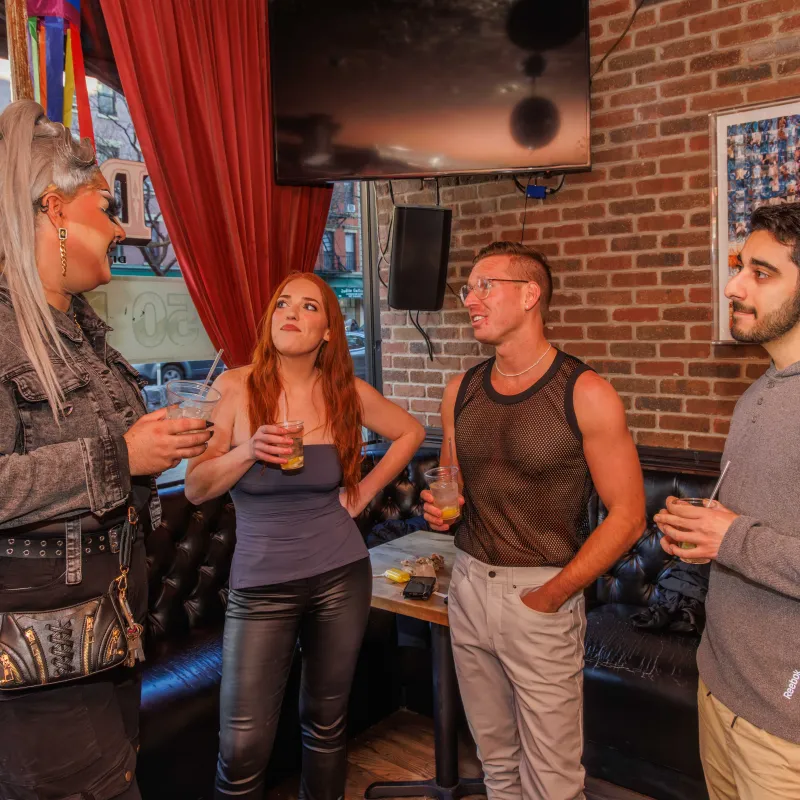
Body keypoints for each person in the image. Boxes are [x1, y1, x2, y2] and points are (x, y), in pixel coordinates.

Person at [0, 100, 211, 800]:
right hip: (37, 660)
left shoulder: (84, 330)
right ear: (54, 209)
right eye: (105, 207)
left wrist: (157, 445)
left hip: (109, 640)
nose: (121, 228)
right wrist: (120, 458)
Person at [185, 272, 424, 800]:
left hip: (341, 574)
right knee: (242, 747)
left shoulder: (346, 393)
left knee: (326, 723)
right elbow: (198, 488)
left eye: (309, 306)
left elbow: (411, 432)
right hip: (261, 584)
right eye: (283, 303)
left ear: (328, 332)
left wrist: (362, 492)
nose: (291, 312)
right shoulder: (233, 387)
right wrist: (248, 450)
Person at [422, 241, 646, 800]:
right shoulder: (461, 390)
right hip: (468, 586)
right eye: (466, 289)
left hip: (540, 594)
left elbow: (629, 516)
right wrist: (442, 510)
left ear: (529, 295)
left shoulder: (586, 392)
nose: (470, 299)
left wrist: (555, 594)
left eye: (484, 286)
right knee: (496, 762)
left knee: (552, 778)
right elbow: (453, 488)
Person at [655, 203, 800, 799]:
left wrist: (730, 538)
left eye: (761, 273)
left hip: (784, 726)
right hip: (719, 685)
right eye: (739, 267)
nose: (732, 286)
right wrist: (704, 536)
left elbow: (743, 536)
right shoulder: (757, 394)